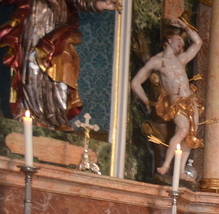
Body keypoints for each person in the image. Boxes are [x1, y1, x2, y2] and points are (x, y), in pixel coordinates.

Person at [0, 0, 120, 129]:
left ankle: (56, 117)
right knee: (33, 68)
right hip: (35, 22)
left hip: (58, 30)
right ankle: (33, 114)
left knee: (59, 70)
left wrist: (101, 4)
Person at [130, 17, 203, 179]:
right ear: (169, 40)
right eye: (178, 40)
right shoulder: (157, 62)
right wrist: (146, 101)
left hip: (190, 100)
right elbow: (135, 83)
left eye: (183, 42)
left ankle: (181, 171)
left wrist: (185, 26)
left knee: (190, 134)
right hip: (175, 101)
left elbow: (198, 43)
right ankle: (166, 165)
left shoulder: (181, 60)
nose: (182, 44)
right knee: (182, 130)